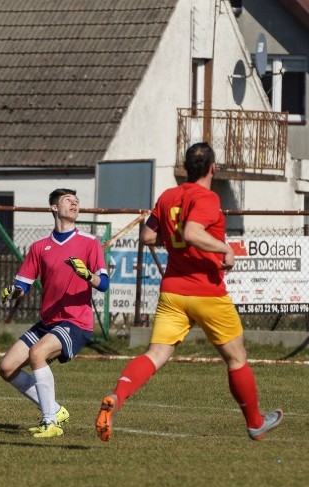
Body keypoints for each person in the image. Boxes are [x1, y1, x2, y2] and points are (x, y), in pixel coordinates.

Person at [95, 142, 283, 442]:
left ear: (186, 168)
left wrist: (172, 239)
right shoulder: (207, 198)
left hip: (173, 292)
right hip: (207, 292)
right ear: (213, 168)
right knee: (236, 358)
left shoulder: (168, 196)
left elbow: (147, 235)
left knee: (155, 355)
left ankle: (117, 397)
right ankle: (255, 422)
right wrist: (225, 248)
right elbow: (192, 233)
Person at [0, 188, 109, 438]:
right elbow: (23, 285)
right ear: (53, 208)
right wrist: (13, 292)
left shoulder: (90, 243)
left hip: (75, 322)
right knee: (6, 367)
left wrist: (87, 275)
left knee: (38, 353)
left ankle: (51, 423)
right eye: (68, 200)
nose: (74, 204)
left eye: (76, 201)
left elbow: (103, 284)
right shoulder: (40, 247)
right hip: (48, 322)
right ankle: (55, 410)